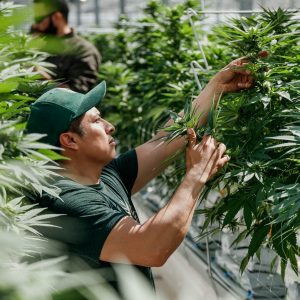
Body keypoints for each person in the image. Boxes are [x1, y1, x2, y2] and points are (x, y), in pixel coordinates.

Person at [25, 57, 253, 295]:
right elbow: (151, 247)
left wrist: (216, 87)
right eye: (96, 121)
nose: (109, 126)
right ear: (70, 140)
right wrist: (196, 176)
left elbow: (167, 139)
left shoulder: (106, 175)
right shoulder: (65, 201)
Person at [31, 0, 101, 93]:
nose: (35, 25)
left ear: (56, 17)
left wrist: (42, 78)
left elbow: (78, 93)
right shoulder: (37, 44)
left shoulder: (83, 50)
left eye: (39, 19)